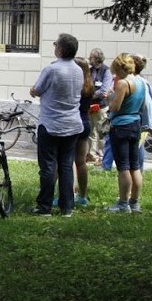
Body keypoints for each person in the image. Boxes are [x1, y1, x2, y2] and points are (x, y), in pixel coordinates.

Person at [29, 33, 84, 217]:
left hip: (51, 123)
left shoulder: (51, 70)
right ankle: (67, 207)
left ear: (60, 50)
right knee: (66, 166)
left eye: (55, 45)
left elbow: (36, 90)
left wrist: (32, 90)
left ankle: (44, 207)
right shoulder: (79, 70)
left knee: (48, 166)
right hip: (72, 124)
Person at [106, 53, 145, 213]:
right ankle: (134, 202)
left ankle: (123, 203)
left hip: (121, 125)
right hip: (136, 123)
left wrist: (109, 98)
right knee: (135, 166)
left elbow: (115, 107)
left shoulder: (123, 83)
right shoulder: (140, 81)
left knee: (123, 167)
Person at [72, 58, 94, 207]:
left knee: (67, 161)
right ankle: (83, 196)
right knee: (81, 162)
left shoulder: (74, 85)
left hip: (73, 122)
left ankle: (69, 193)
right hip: (85, 122)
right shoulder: (89, 85)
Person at [87, 49, 114, 163]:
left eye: (91, 57)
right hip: (90, 106)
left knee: (102, 131)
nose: (89, 59)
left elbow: (104, 90)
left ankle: (103, 155)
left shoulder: (106, 71)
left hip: (101, 106)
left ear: (97, 58)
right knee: (91, 131)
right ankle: (92, 154)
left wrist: (91, 95)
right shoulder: (89, 70)